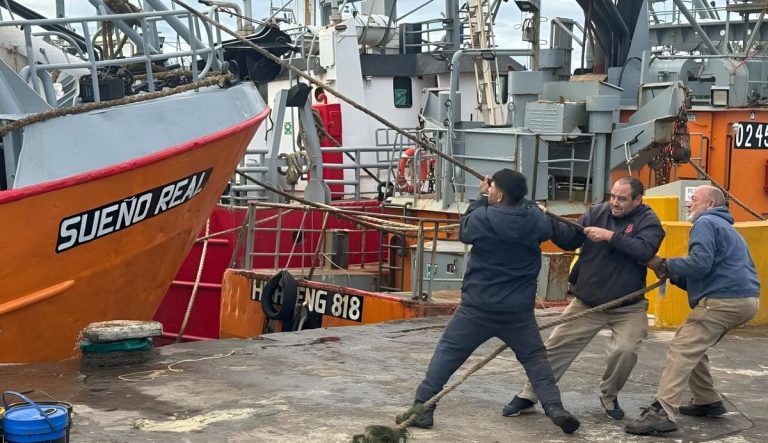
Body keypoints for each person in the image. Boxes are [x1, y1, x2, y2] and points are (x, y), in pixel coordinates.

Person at [397, 169, 580, 434]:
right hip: (517, 311)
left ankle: (423, 408)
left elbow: (465, 230)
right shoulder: (537, 219)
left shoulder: (483, 216)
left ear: (500, 194)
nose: (490, 190)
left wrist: (481, 196)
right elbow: (568, 238)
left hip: (478, 307)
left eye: (493, 188)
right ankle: (554, 407)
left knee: (448, 353)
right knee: (535, 360)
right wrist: (536, 209)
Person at [504, 177, 665, 420]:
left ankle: (609, 395)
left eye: (622, 199)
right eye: (612, 196)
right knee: (556, 347)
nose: (614, 203)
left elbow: (645, 250)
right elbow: (570, 238)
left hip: (627, 306)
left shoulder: (648, 221)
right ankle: (529, 394)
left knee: (626, 350)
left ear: (637, 200)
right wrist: (546, 217)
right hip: (587, 301)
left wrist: (610, 236)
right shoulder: (596, 212)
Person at [625, 185, 760, 435]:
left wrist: (664, 263)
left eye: (694, 200)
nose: (689, 204)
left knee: (682, 348)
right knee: (691, 344)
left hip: (723, 300)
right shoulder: (727, 229)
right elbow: (708, 271)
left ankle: (662, 412)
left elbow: (699, 264)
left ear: (710, 204)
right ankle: (707, 400)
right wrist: (673, 274)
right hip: (744, 300)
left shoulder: (706, 223)